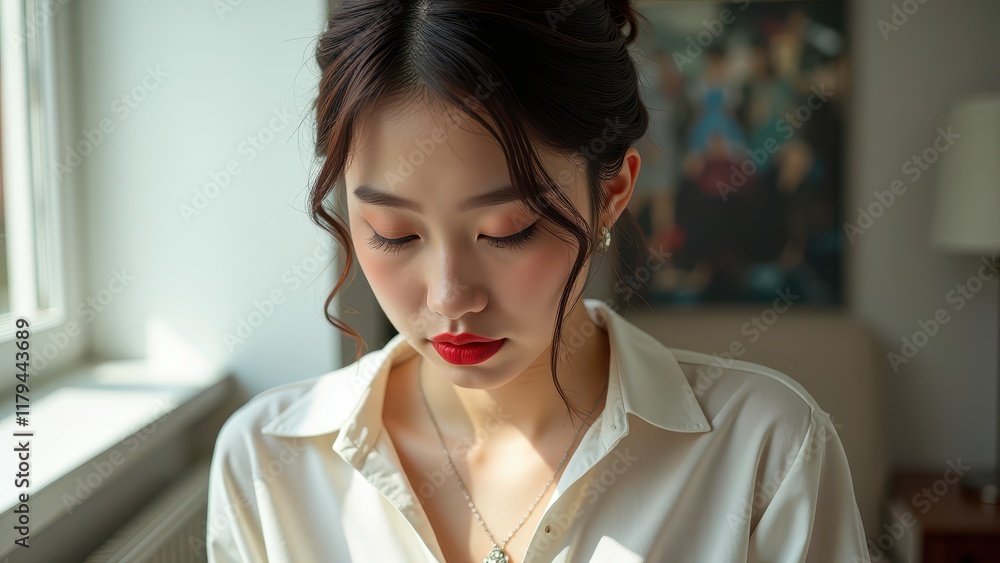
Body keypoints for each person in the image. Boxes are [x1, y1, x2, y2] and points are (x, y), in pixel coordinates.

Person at [205, 1, 871, 562]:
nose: (449, 295)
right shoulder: (268, 466)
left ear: (612, 191)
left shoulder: (766, 451)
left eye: (507, 229)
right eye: (393, 232)